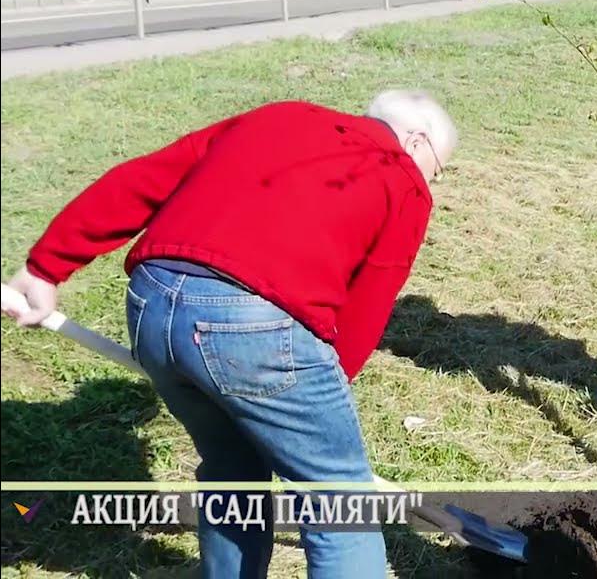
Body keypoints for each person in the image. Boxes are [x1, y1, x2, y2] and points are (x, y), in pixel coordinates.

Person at [4, 91, 457, 578]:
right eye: (439, 167)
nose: (432, 179)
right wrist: (317, 396)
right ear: (416, 141)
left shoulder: (277, 117)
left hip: (153, 303)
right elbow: (370, 300)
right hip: (253, 327)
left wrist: (46, 267)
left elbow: (144, 180)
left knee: (233, 474)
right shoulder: (402, 178)